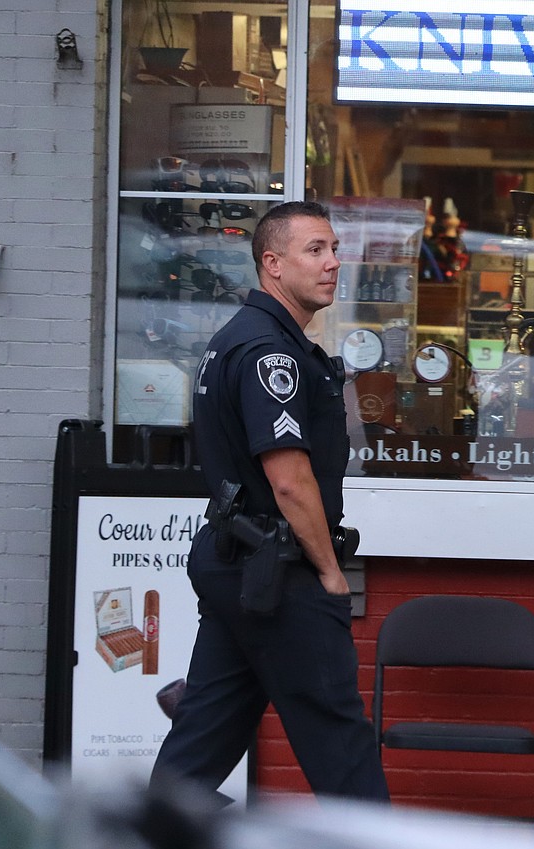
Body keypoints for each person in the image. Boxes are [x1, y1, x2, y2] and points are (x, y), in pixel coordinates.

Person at [150, 201, 390, 806]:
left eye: (334, 249)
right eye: (316, 250)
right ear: (272, 264)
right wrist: (331, 574)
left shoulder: (242, 340)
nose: (333, 263)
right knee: (341, 748)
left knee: (199, 745)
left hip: (241, 566)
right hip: (278, 574)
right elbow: (289, 480)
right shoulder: (269, 354)